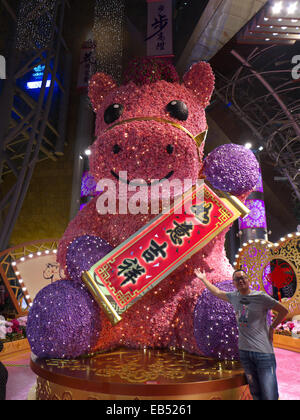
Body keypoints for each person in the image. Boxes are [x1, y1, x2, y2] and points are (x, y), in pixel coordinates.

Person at [194, 268, 289, 401]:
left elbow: (283, 311)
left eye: (243, 277)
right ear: (234, 283)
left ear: (248, 279)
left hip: (263, 353)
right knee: (255, 392)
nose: (241, 280)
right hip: (245, 352)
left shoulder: (261, 296)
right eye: (237, 279)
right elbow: (217, 292)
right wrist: (203, 279)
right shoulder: (234, 297)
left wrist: (272, 327)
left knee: (269, 393)